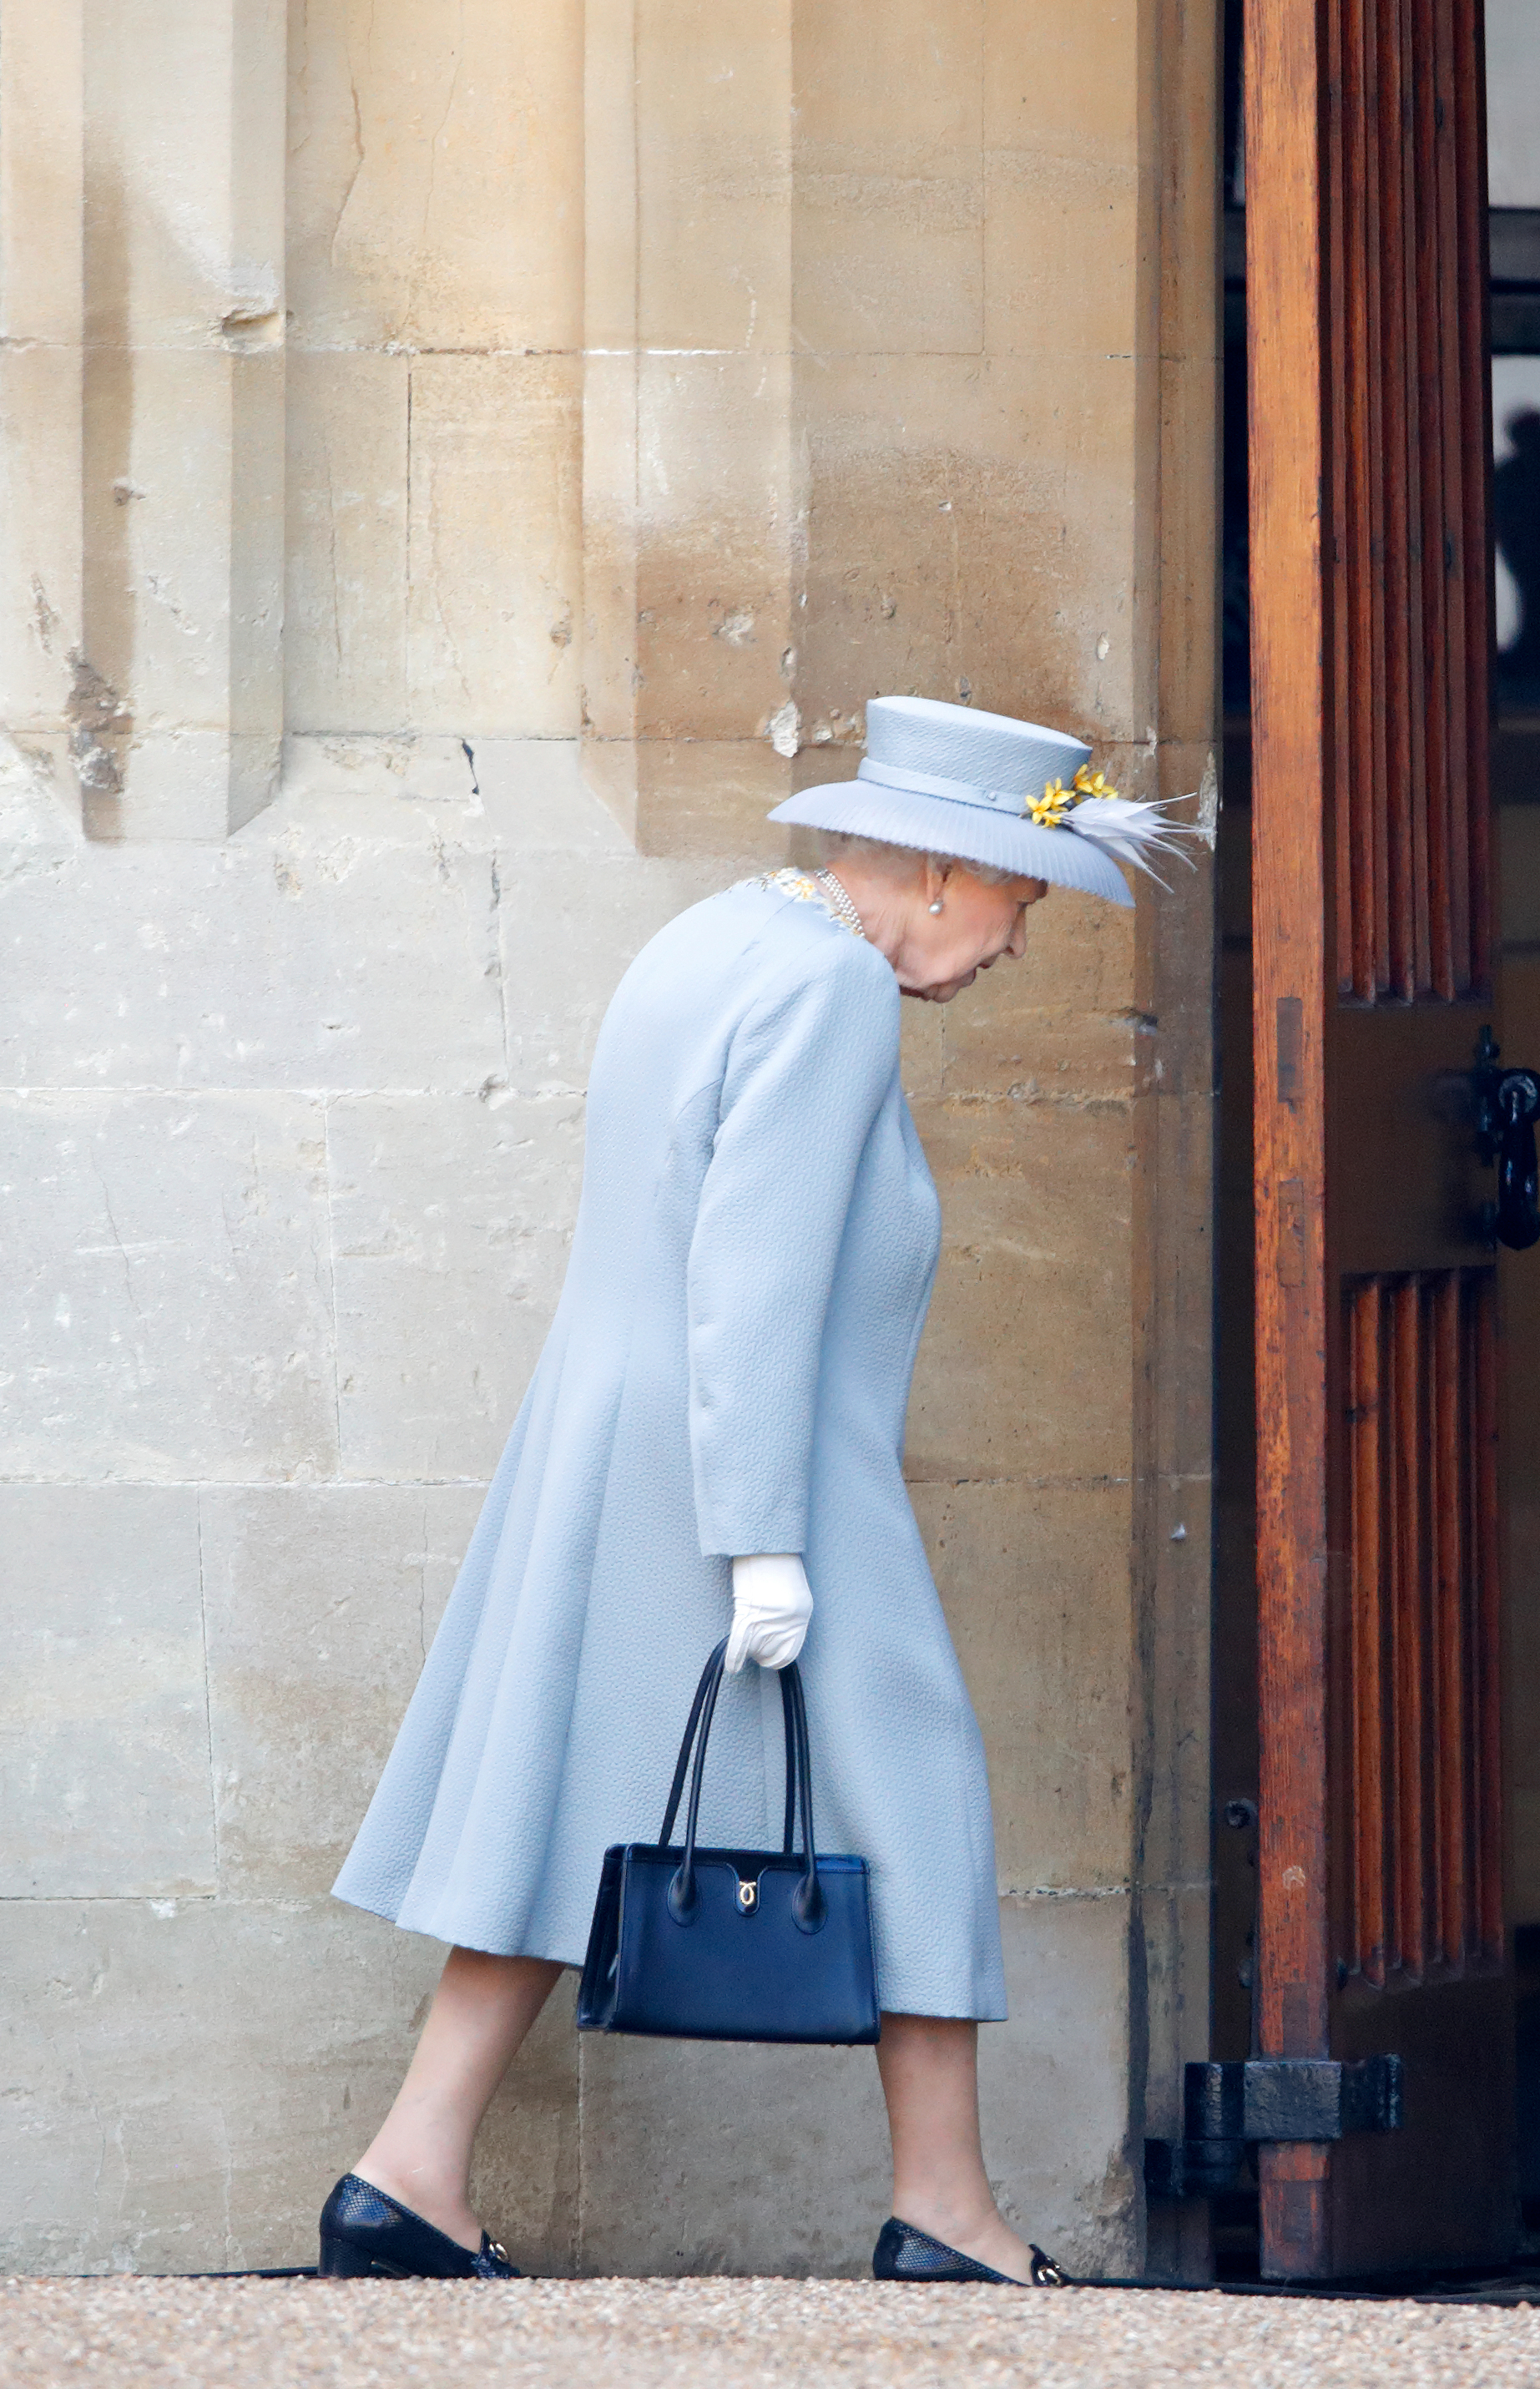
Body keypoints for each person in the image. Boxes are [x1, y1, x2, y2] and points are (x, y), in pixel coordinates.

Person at [323, 696, 1189, 2285]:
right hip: (763, 1459)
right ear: (939, 870)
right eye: (1021, 896)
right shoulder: (833, 988)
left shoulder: (715, 936)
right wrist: (765, 1542)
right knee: (916, 1791)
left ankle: (407, 2171)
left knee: (564, 1792)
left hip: (626, 1432)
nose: (1016, 941)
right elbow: (756, 1277)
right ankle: (946, 2208)